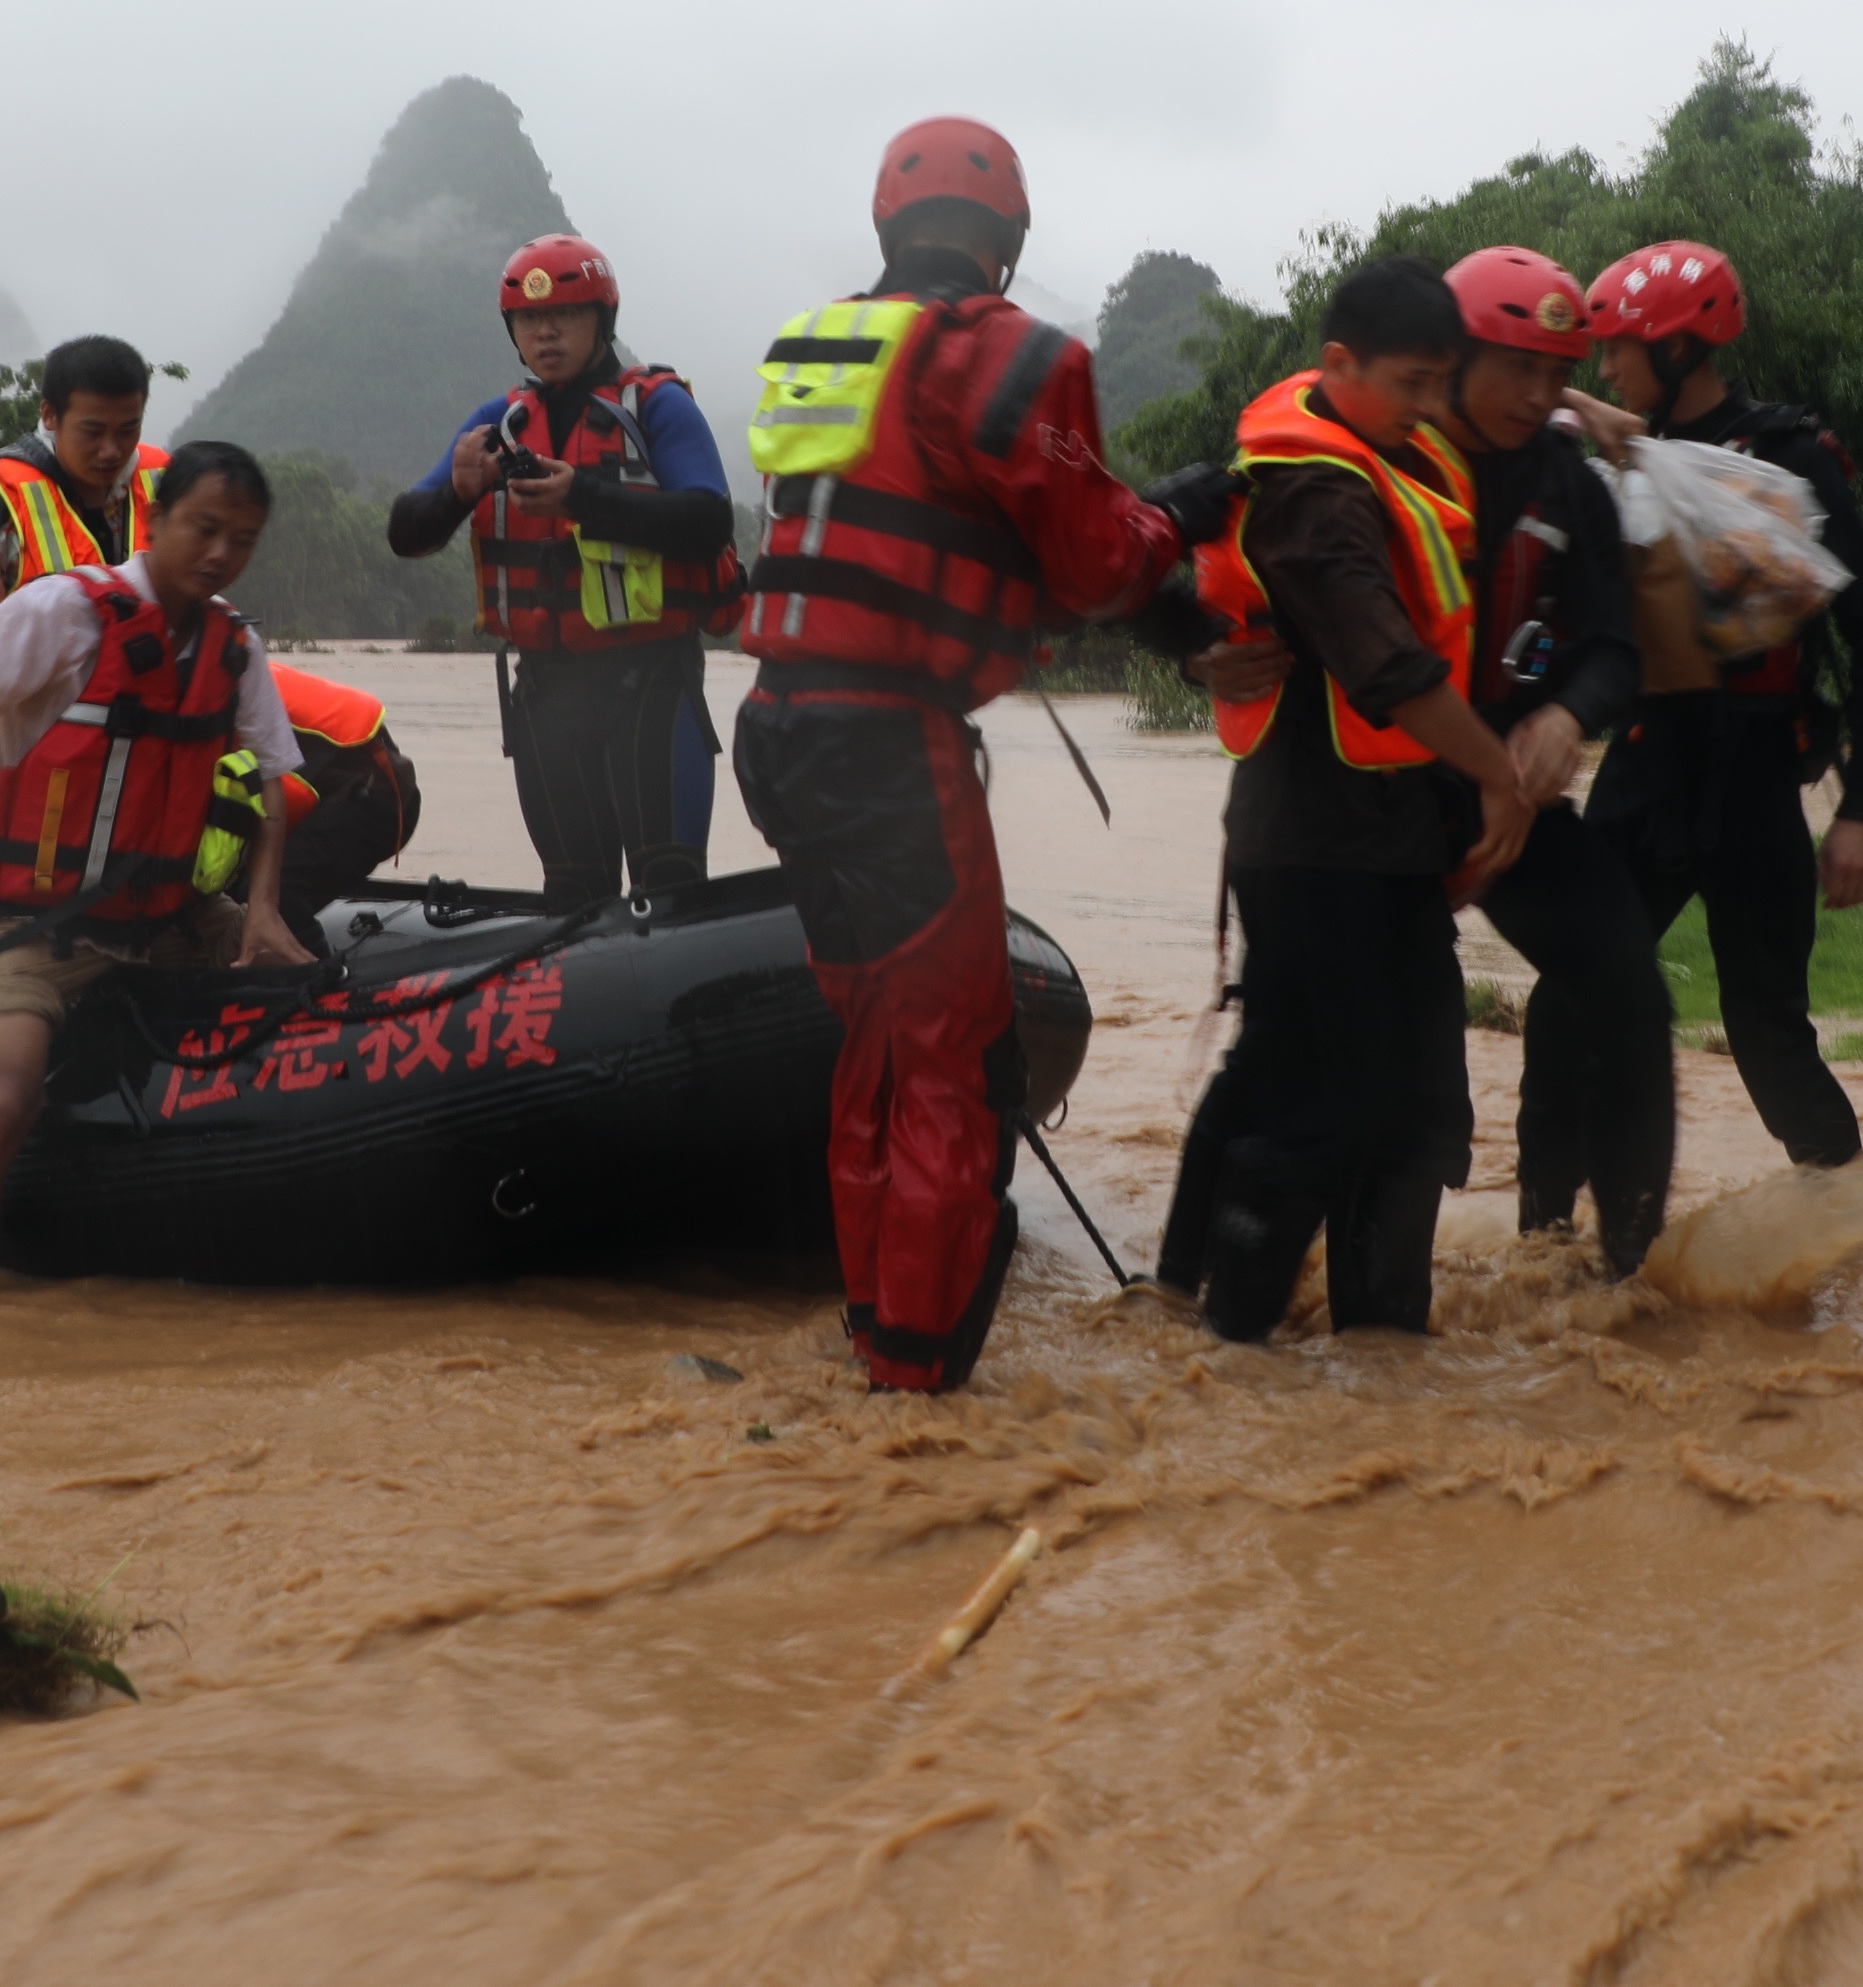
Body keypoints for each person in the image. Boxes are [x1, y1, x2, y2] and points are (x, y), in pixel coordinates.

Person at [733, 117, 1205, 1393]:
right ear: (1005, 244)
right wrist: (1181, 514)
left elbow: (908, 518)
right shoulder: (1018, 356)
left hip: (778, 730)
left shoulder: (818, 344)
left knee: (878, 1041)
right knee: (951, 1053)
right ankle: (918, 1380)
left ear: (888, 228)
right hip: (889, 744)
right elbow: (1100, 561)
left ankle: (875, 1324)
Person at [1160, 257, 1540, 1341]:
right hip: (1323, 846)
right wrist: (1498, 772)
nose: (1433, 410)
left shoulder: (1382, 453)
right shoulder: (1316, 496)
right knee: (1327, 1102)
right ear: (1340, 366)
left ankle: (1200, 1305)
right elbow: (1391, 673)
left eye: (1441, 385)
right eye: (1416, 385)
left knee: (1308, 1072)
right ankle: (1236, 1346)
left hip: (1355, 839)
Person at [0, 441, 316, 1291]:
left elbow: (277, 785)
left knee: (314, 994)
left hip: (170, 918)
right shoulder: (66, 610)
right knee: (2, 1102)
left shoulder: (233, 645)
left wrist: (261, 911)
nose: (220, 554)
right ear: (161, 517)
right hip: (27, 924)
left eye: (242, 540)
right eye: (205, 528)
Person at [1577, 240, 1863, 1169]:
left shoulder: (1793, 458)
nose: (1605, 366)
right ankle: (1550, 1243)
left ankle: (1838, 1217)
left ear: (1679, 347)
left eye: (1620, 347)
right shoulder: (1622, 454)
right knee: (1572, 1005)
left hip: (1754, 775)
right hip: (1643, 764)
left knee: (1764, 1027)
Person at [1438, 247, 1676, 1275]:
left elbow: (1613, 648)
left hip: (1521, 805)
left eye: (1555, 374)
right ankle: (1196, 1295)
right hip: (1382, 801)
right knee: (1355, 1051)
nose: (1534, 397)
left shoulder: (1568, 486)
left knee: (1628, 988)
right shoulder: (1385, 450)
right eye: (1514, 370)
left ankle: (1628, 1276)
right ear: (1448, 359)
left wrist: (1569, 715)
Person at [385, 235, 739, 906]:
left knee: (669, 884)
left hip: (652, 685)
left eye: (565, 316)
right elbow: (407, 534)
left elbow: (707, 521)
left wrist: (582, 497)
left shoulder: (657, 406)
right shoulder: (501, 421)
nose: (545, 331)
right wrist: (459, 493)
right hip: (548, 694)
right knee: (573, 895)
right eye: (528, 321)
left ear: (603, 321)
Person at [0, 334, 170, 643]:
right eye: (93, 432)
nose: (111, 451)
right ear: (49, 415)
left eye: (128, 430)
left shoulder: (167, 487)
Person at [267, 659, 425, 926]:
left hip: (372, 799)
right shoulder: (230, 661)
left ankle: (316, 967)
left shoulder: (215, 691)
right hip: (377, 784)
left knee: (272, 894)